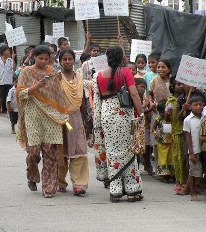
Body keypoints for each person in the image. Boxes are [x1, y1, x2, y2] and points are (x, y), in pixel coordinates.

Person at [16, 45, 72, 198]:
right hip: (33, 115)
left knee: (50, 153)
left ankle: (49, 187)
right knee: (33, 152)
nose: (43, 62)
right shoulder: (26, 72)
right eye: (40, 58)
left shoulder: (53, 73)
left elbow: (58, 95)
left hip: (51, 117)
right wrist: (36, 86)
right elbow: (20, 94)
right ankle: (32, 176)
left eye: (46, 59)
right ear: (34, 57)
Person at [93, 46, 144, 202]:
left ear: (107, 58)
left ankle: (115, 190)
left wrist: (97, 125)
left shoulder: (97, 75)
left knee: (112, 151)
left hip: (106, 115)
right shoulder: (126, 72)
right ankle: (132, 190)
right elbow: (134, 93)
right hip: (124, 115)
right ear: (121, 58)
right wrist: (141, 112)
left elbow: (96, 102)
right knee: (128, 150)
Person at [57, 49, 89, 196]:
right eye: (64, 59)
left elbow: (81, 99)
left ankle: (79, 184)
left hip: (76, 118)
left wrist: (85, 118)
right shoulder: (56, 77)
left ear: (74, 60)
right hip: (59, 118)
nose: (67, 62)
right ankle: (59, 181)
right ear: (60, 61)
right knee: (61, 151)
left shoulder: (79, 77)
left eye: (70, 59)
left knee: (79, 150)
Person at [184, 94, 205, 201]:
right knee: (192, 172)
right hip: (195, 149)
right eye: (195, 105)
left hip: (205, 148)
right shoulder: (188, 120)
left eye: (200, 104)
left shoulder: (205, 117)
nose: (198, 107)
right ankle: (192, 192)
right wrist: (191, 152)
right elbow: (188, 136)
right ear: (190, 106)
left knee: (204, 170)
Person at [0, 45, 14, 114]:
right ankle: (0, 108)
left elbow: (13, 68)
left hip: (9, 81)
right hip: (1, 81)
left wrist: (13, 58)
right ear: (3, 52)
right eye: (7, 50)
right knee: (1, 96)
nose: (9, 52)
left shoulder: (10, 60)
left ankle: (8, 109)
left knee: (9, 96)